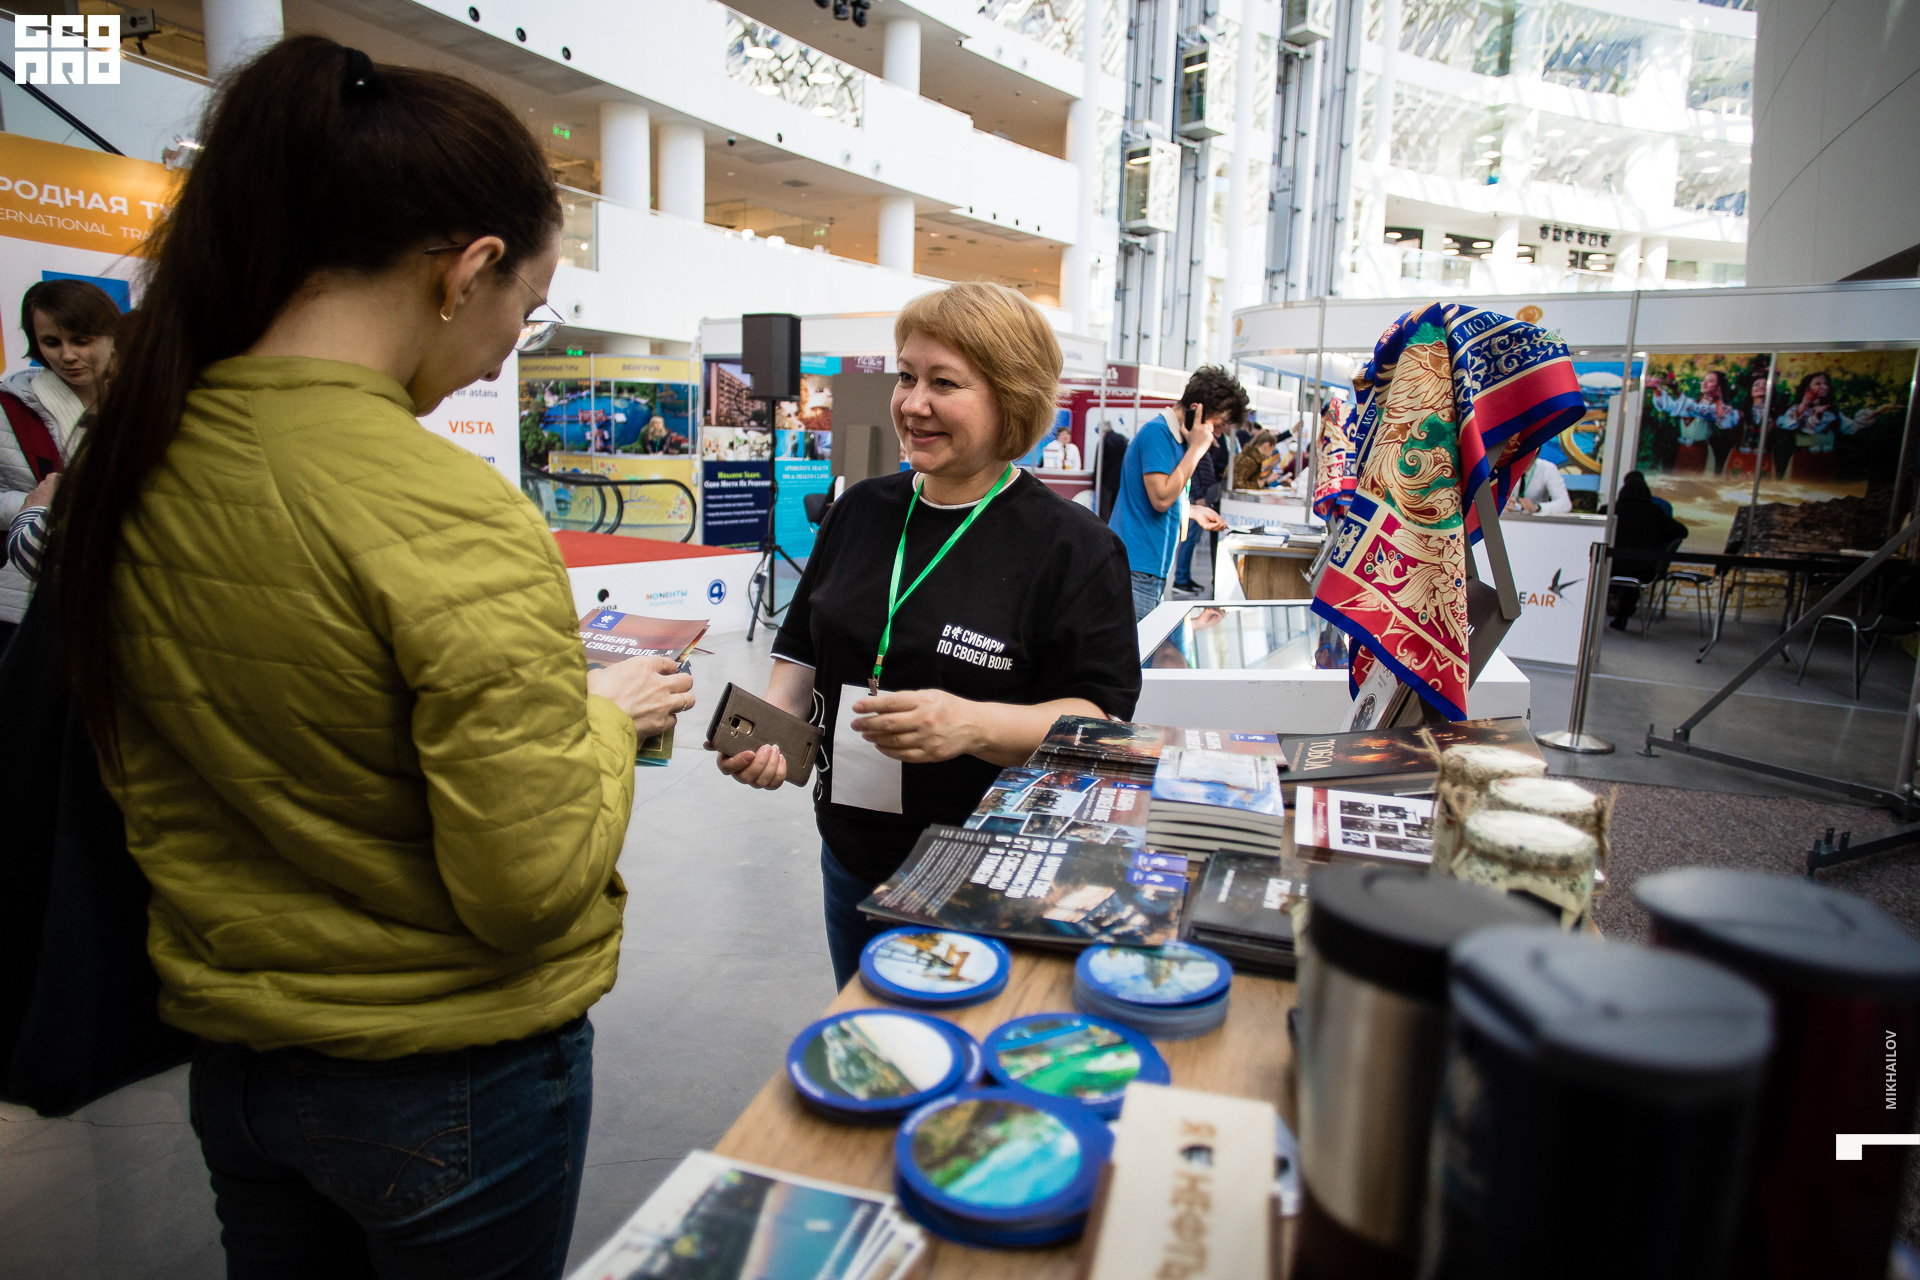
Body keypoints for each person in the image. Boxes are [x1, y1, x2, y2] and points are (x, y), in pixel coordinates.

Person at [48, 38, 695, 1277]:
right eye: (527, 308)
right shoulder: (446, 509)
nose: (510, 349)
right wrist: (607, 716)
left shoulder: (131, 464)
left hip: (238, 1056)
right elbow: (527, 883)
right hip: (447, 1078)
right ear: (468, 269)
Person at [710, 283, 1141, 987]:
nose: (913, 404)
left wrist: (972, 725)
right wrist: (769, 731)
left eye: (944, 383)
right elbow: (802, 650)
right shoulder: (858, 512)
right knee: (868, 1031)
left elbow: (1099, 721)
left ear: (1011, 397)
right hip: (853, 856)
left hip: (991, 874)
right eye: (907, 376)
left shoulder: (1074, 548)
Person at [0, 278, 120, 649]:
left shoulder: (146, 403)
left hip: (121, 596)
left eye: (81, 340)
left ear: (113, 335)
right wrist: (31, 507)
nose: (67, 355)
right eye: (51, 342)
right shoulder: (7, 407)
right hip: (26, 605)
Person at [1109, 366, 1247, 621]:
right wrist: (1197, 449)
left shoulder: (1173, 439)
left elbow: (1153, 496)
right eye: (1217, 425)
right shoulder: (1157, 434)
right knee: (1142, 643)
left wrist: (1192, 511)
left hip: (1149, 569)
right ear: (1196, 409)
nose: (1216, 434)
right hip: (1137, 570)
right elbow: (1161, 498)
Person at [1606, 470, 1688, 630]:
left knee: (1617, 574)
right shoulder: (1656, 513)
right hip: (1643, 570)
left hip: (1611, 566)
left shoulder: (1610, 511)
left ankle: (1614, 601)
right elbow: (1681, 532)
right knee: (1635, 578)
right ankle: (1623, 614)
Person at [1170, 420, 1231, 599]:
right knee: (1188, 539)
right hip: (1197, 498)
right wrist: (1198, 496)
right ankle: (1181, 579)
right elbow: (1192, 473)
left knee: (1191, 539)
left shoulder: (1205, 446)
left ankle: (1184, 578)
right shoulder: (1193, 448)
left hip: (1202, 496)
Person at [1649, 368, 1738, 474]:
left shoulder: (1718, 408)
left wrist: (1676, 391)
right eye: (1704, 380)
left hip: (1702, 454)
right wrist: (1656, 389)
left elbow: (1714, 417)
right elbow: (1670, 406)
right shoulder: (1693, 402)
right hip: (1683, 452)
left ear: (1719, 387)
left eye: (1711, 381)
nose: (1705, 383)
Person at [1508, 455, 1572, 515]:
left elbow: (1565, 504)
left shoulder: (1547, 468)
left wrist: (1537, 508)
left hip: (1534, 520)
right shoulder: (1504, 465)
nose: (1524, 463)